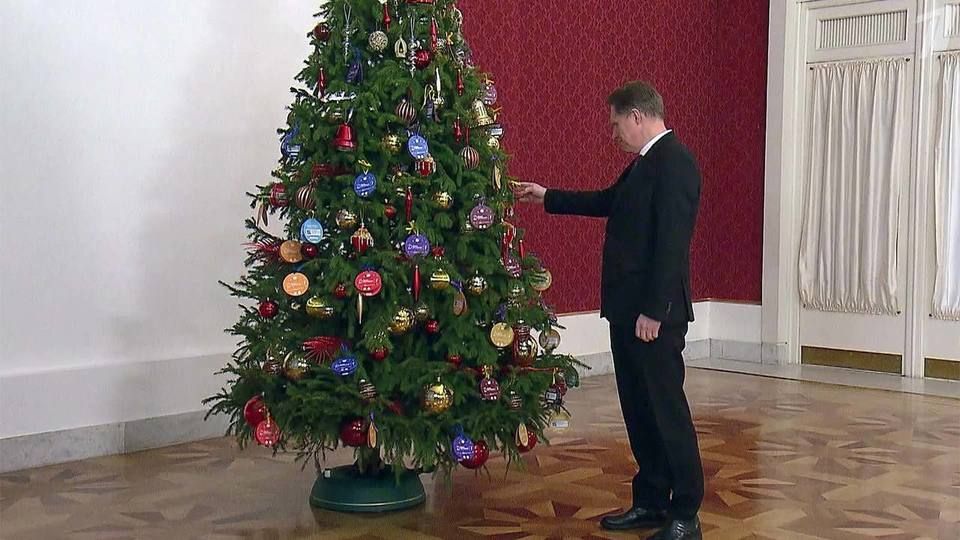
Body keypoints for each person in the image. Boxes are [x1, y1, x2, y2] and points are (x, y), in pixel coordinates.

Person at [514, 81, 704, 540]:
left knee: (666, 413)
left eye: (616, 123)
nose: (613, 133)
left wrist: (654, 311)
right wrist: (547, 196)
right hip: (627, 312)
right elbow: (607, 200)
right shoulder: (644, 163)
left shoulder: (675, 162)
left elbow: (672, 245)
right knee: (639, 411)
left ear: (637, 116)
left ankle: (686, 514)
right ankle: (652, 500)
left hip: (653, 317)